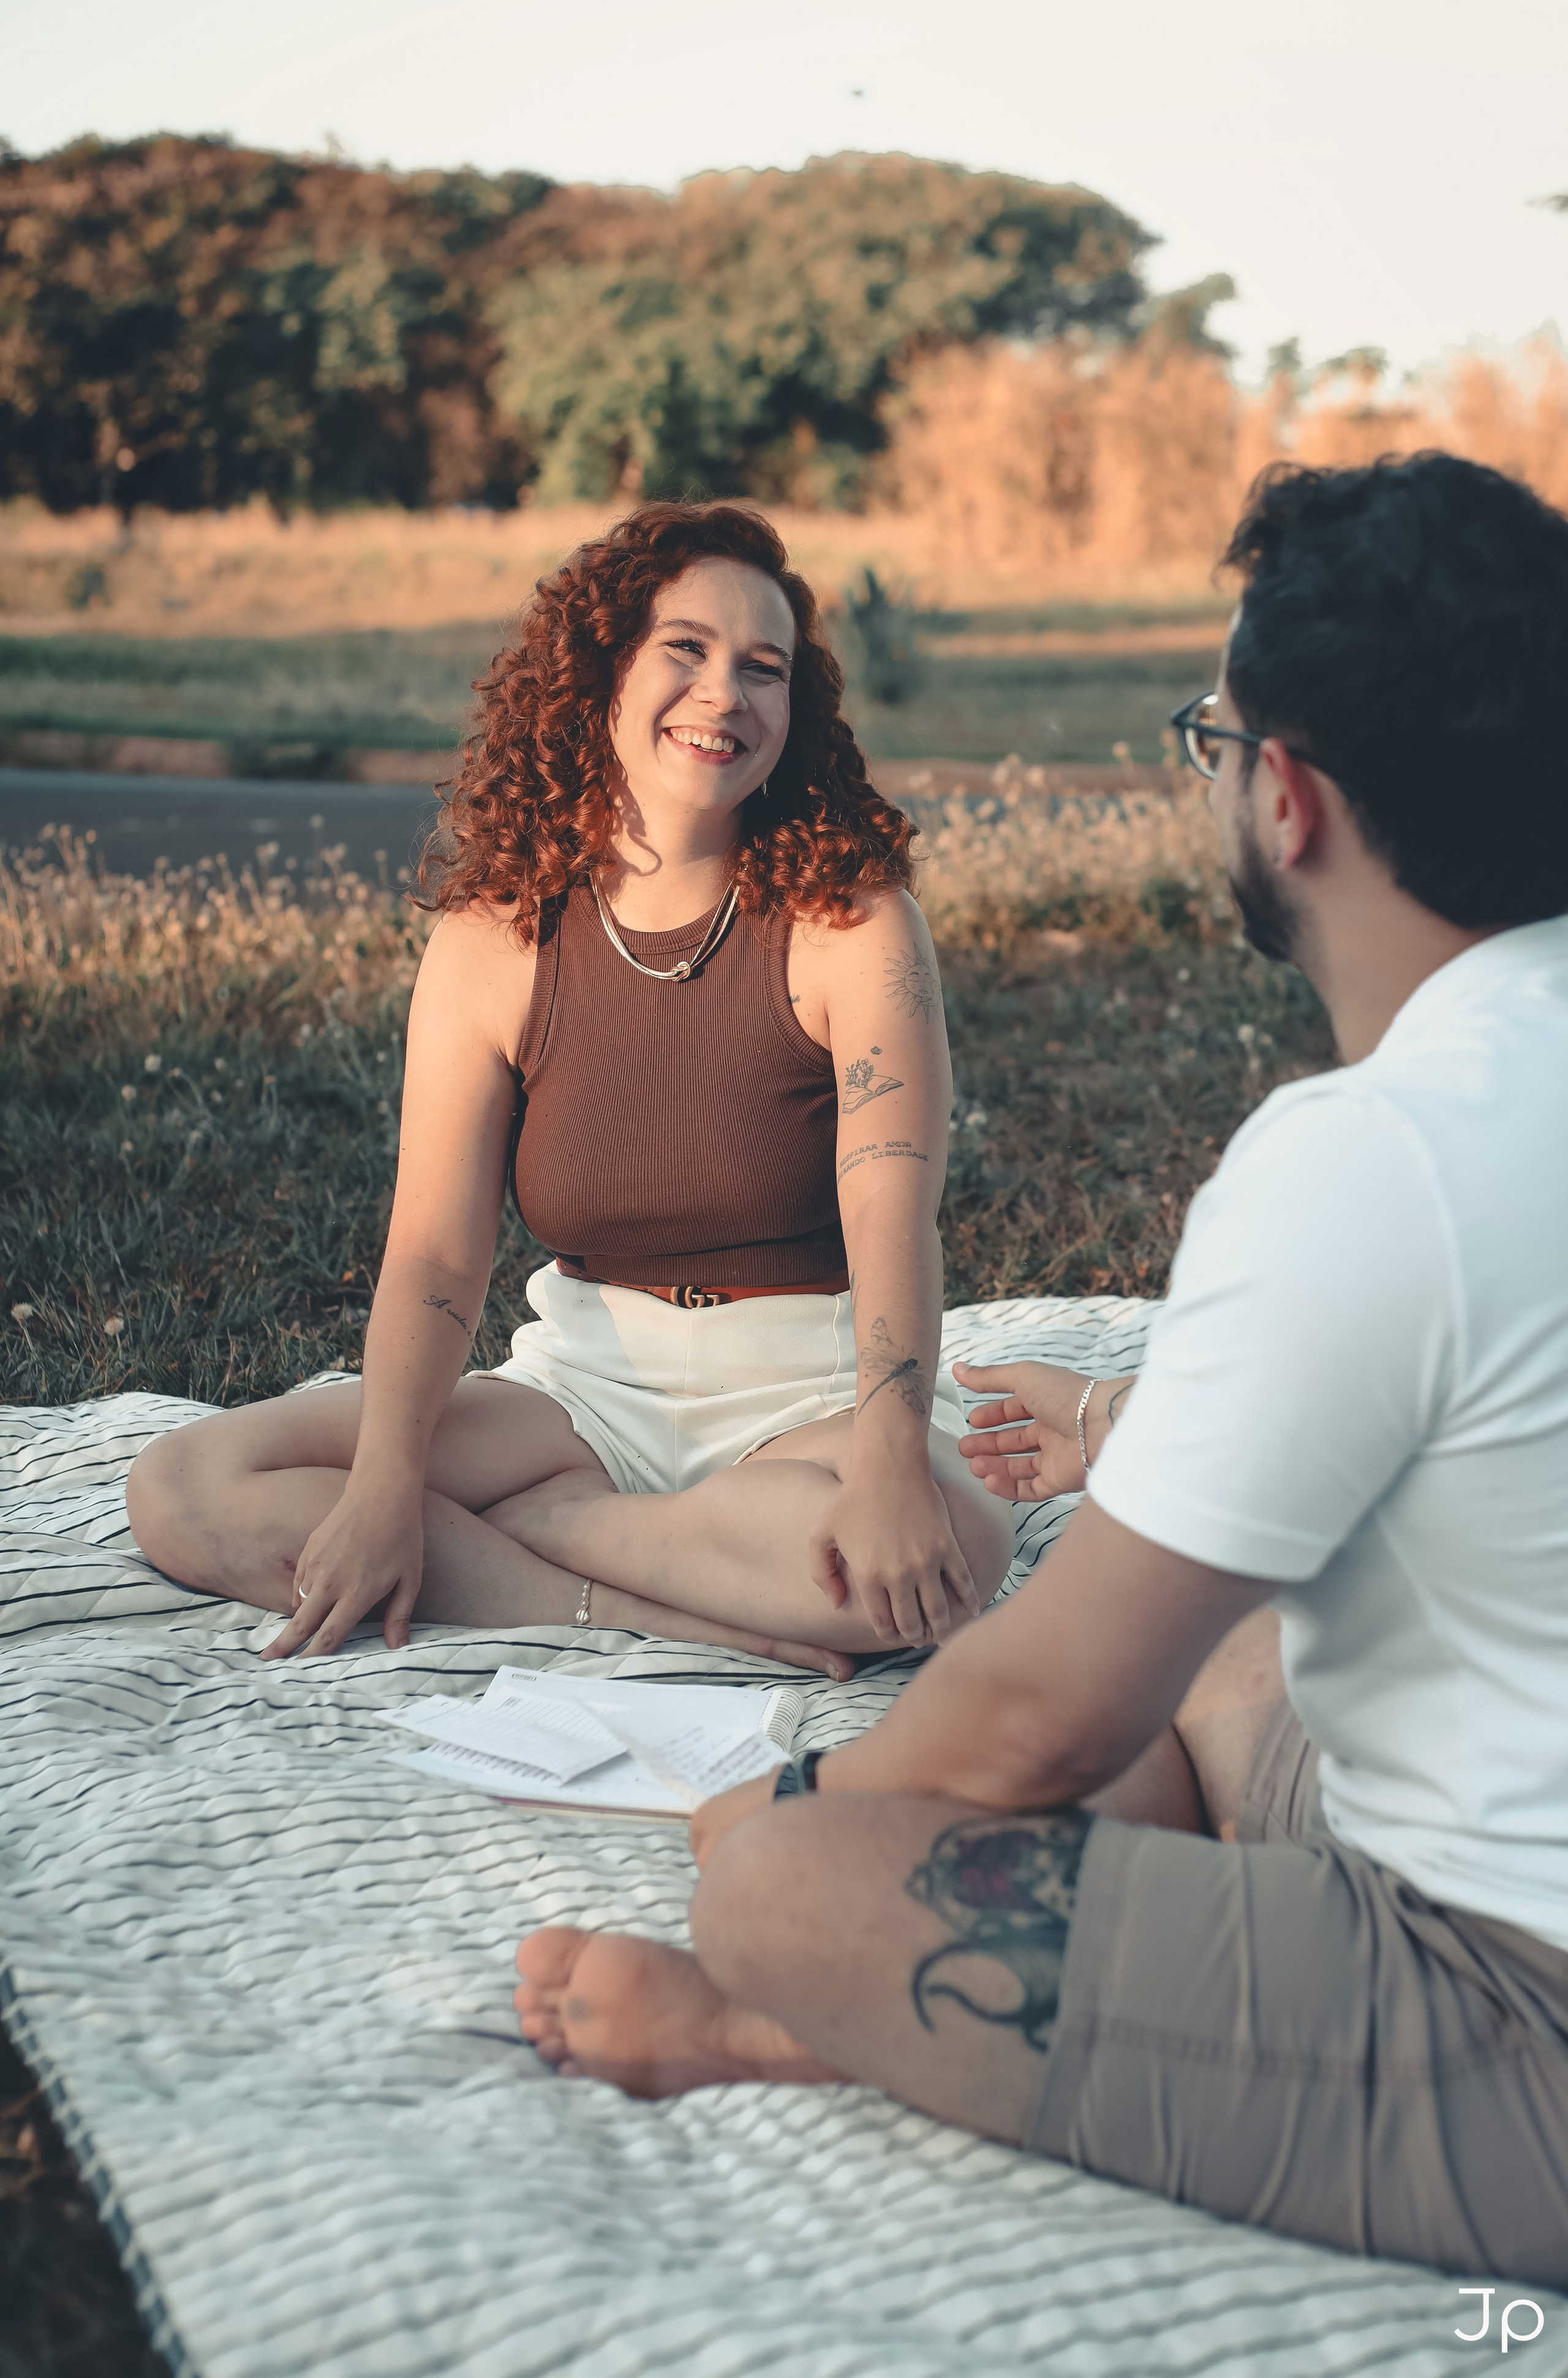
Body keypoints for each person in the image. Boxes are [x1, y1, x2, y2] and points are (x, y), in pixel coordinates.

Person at [514, 453, 1568, 2286]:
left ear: (1289, 799)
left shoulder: (1373, 1153)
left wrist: (819, 1809)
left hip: (1518, 2001)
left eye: (1211, 740)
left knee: (780, 1889)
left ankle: (789, 2028)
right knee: (1224, 1604)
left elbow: (1035, 1723)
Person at [127, 503, 1012, 1671]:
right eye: (684, 650)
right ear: (602, 672)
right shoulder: (490, 941)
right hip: (583, 1391)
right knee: (186, 1485)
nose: (726, 695)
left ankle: (542, 1537)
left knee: (943, 1552)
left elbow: (893, 1212)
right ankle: (650, 1607)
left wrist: (896, 1452)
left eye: (765, 669)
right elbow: (439, 1257)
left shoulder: (854, 923)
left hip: (810, 1394)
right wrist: (389, 1487)